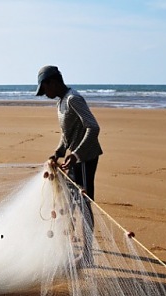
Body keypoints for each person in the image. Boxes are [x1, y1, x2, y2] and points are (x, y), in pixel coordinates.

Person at [36, 65, 102, 263]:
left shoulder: (74, 99)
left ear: (53, 82)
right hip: (73, 159)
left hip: (85, 159)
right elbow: (67, 135)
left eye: (44, 88)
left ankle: (88, 254)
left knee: (83, 203)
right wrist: (58, 152)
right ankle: (76, 241)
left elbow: (93, 127)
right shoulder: (61, 103)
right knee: (71, 201)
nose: (45, 93)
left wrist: (76, 154)